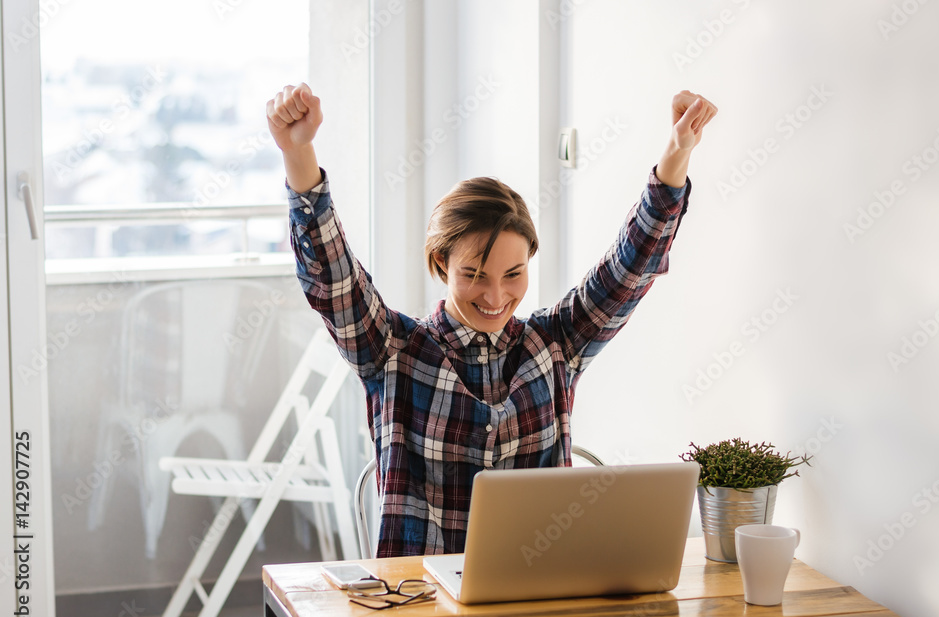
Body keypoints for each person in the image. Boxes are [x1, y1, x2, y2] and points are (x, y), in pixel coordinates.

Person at [266, 83, 717, 557]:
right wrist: (299, 154)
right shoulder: (392, 349)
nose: (497, 295)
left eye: (514, 273)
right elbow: (334, 279)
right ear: (441, 265)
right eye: (474, 275)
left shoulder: (558, 343)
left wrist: (676, 153)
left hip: (539, 599)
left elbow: (632, 267)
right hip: (421, 607)